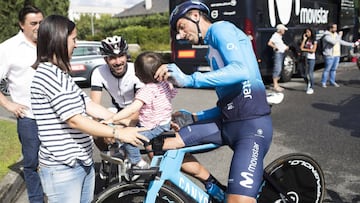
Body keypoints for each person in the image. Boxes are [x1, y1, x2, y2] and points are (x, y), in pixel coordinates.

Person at [155, 1, 273, 202]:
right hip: (226, 123)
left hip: (251, 128)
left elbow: (241, 71)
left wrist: (190, 79)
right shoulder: (211, 49)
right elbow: (228, 103)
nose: (180, 35)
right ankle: (213, 186)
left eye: (181, 27)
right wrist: (194, 117)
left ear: (195, 16)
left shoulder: (221, 29)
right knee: (158, 145)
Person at [30, 14, 148, 203]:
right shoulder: (48, 75)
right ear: (59, 39)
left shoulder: (61, 74)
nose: (76, 45)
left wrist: (123, 120)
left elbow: (88, 105)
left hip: (81, 162)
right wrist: (118, 132)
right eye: (74, 39)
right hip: (63, 168)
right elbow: (75, 119)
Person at [0, 5, 44, 203]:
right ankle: (36, 200)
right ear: (21, 25)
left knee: (58, 161)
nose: (38, 27)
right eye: (33, 23)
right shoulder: (7, 48)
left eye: (41, 22)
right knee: (32, 163)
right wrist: (9, 105)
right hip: (29, 118)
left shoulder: (48, 42)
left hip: (55, 115)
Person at [104, 51, 177, 168]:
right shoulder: (165, 84)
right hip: (163, 122)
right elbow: (173, 93)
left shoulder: (146, 90)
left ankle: (137, 162)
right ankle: (123, 151)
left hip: (154, 125)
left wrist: (112, 118)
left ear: (138, 74)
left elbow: (132, 109)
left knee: (129, 137)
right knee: (128, 125)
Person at [90, 35, 144, 179]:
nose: (118, 61)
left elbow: (141, 106)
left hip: (138, 110)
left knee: (148, 144)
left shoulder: (136, 70)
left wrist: (125, 126)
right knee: (95, 130)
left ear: (126, 55)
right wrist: (104, 129)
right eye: (112, 58)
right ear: (105, 59)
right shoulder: (98, 72)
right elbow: (94, 106)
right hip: (117, 110)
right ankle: (108, 157)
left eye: (121, 56)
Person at [321, 23, 355, 88]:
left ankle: (332, 81)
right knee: (327, 69)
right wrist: (339, 36)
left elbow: (340, 41)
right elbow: (333, 42)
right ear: (330, 28)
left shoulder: (335, 34)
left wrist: (351, 44)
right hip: (329, 55)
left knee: (334, 69)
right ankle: (323, 82)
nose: (336, 29)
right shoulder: (326, 36)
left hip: (337, 54)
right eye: (334, 28)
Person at [267, 24, 289, 92]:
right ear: (280, 30)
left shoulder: (279, 36)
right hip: (278, 53)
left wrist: (285, 47)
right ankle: (275, 85)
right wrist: (275, 47)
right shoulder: (275, 35)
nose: (284, 31)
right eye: (283, 30)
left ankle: (276, 84)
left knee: (279, 68)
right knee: (277, 68)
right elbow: (269, 43)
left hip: (281, 53)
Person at [300, 28, 318, 94]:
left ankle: (312, 87)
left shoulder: (314, 40)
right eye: (306, 32)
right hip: (305, 58)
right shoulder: (305, 40)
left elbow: (313, 50)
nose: (307, 33)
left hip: (311, 58)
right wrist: (304, 39)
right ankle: (308, 84)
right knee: (303, 73)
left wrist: (305, 49)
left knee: (310, 73)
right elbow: (301, 47)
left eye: (308, 32)